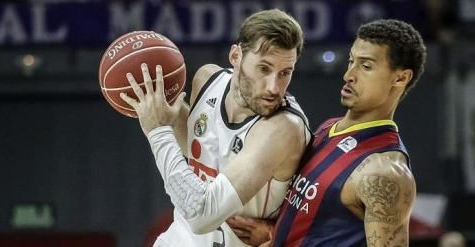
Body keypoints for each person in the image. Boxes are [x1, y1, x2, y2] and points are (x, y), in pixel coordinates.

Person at [120, 9, 311, 247]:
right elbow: (197, 150)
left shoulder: (282, 128)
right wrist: (172, 113)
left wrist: (158, 132)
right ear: (235, 56)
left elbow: (202, 215)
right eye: (264, 69)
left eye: (285, 73)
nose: (274, 87)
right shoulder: (207, 79)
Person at [268, 19, 426, 246]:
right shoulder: (328, 128)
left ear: (400, 78)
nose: (348, 75)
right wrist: (269, 233)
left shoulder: (385, 172)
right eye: (351, 61)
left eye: (366, 66)